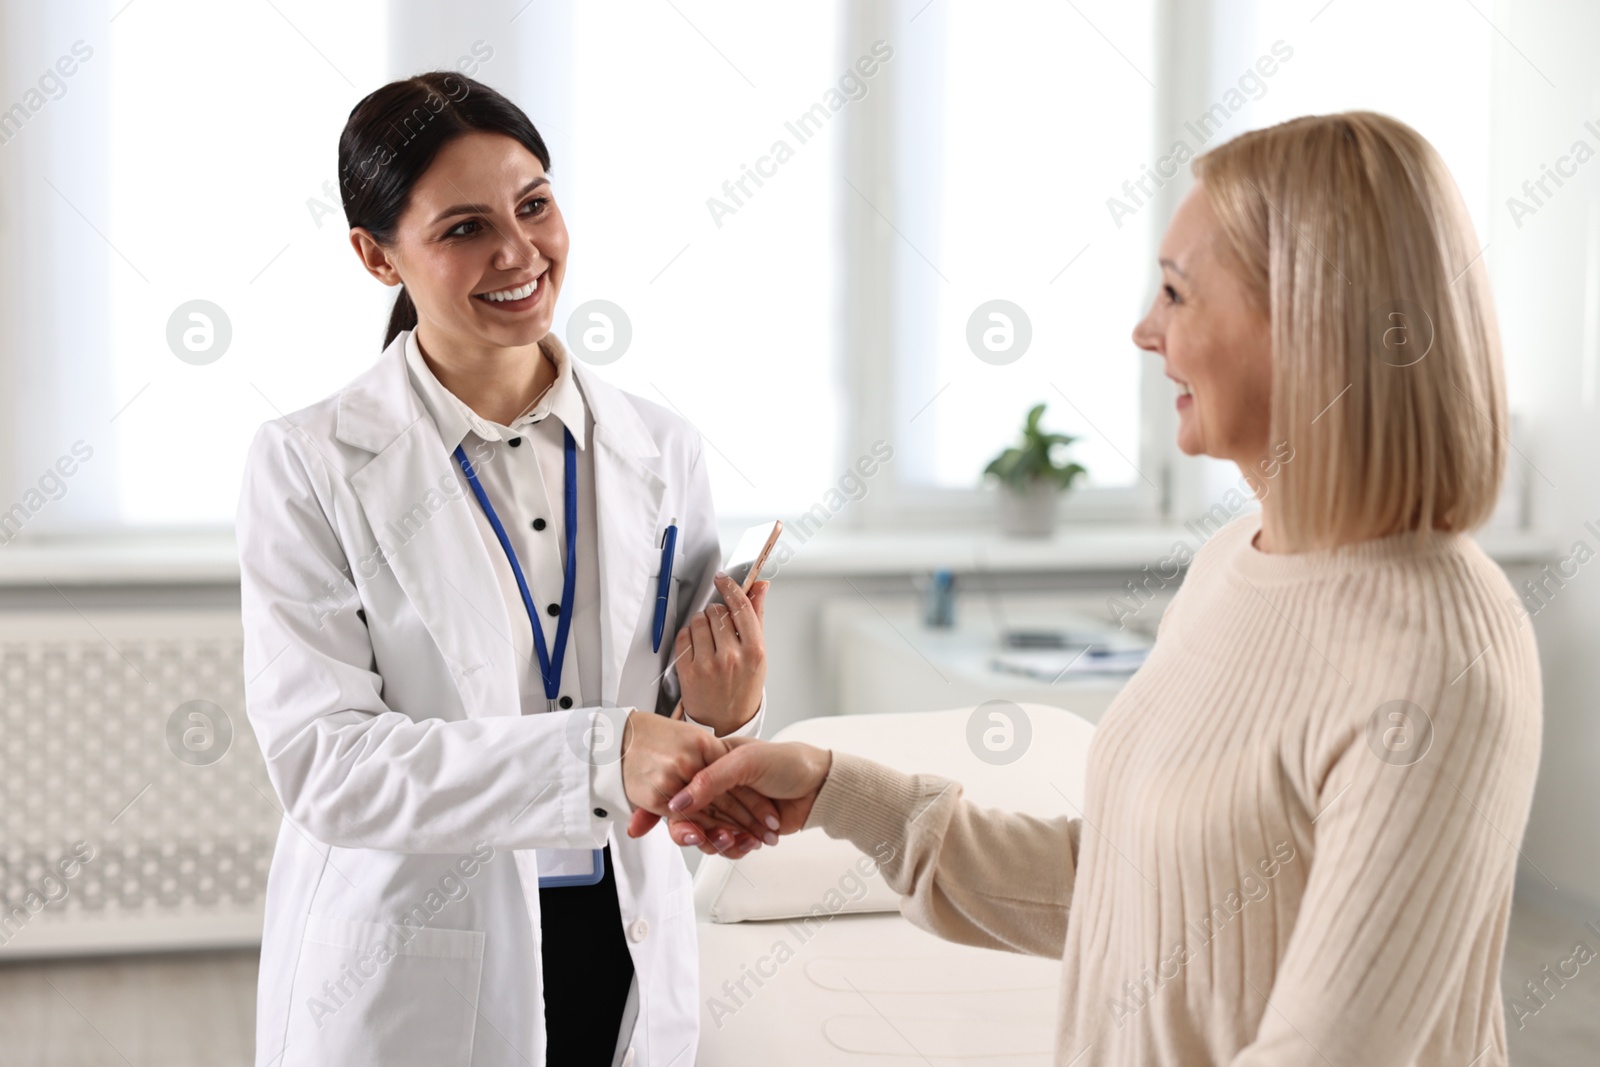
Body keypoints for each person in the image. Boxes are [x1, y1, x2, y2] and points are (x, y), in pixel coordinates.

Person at [660, 111, 1542, 1066]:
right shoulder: (1233, 564)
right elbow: (1125, 888)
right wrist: (836, 790)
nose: (1144, 328)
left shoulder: (1439, 657)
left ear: (1309, 318)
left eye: (1175, 292)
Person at [237, 71, 779, 1067]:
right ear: (375, 255)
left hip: (623, 939)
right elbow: (329, 763)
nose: (520, 252)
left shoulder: (663, 448)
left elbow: (666, 730)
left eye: (534, 204)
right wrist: (594, 753)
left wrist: (725, 709)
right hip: (416, 960)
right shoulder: (309, 461)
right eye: (463, 228)